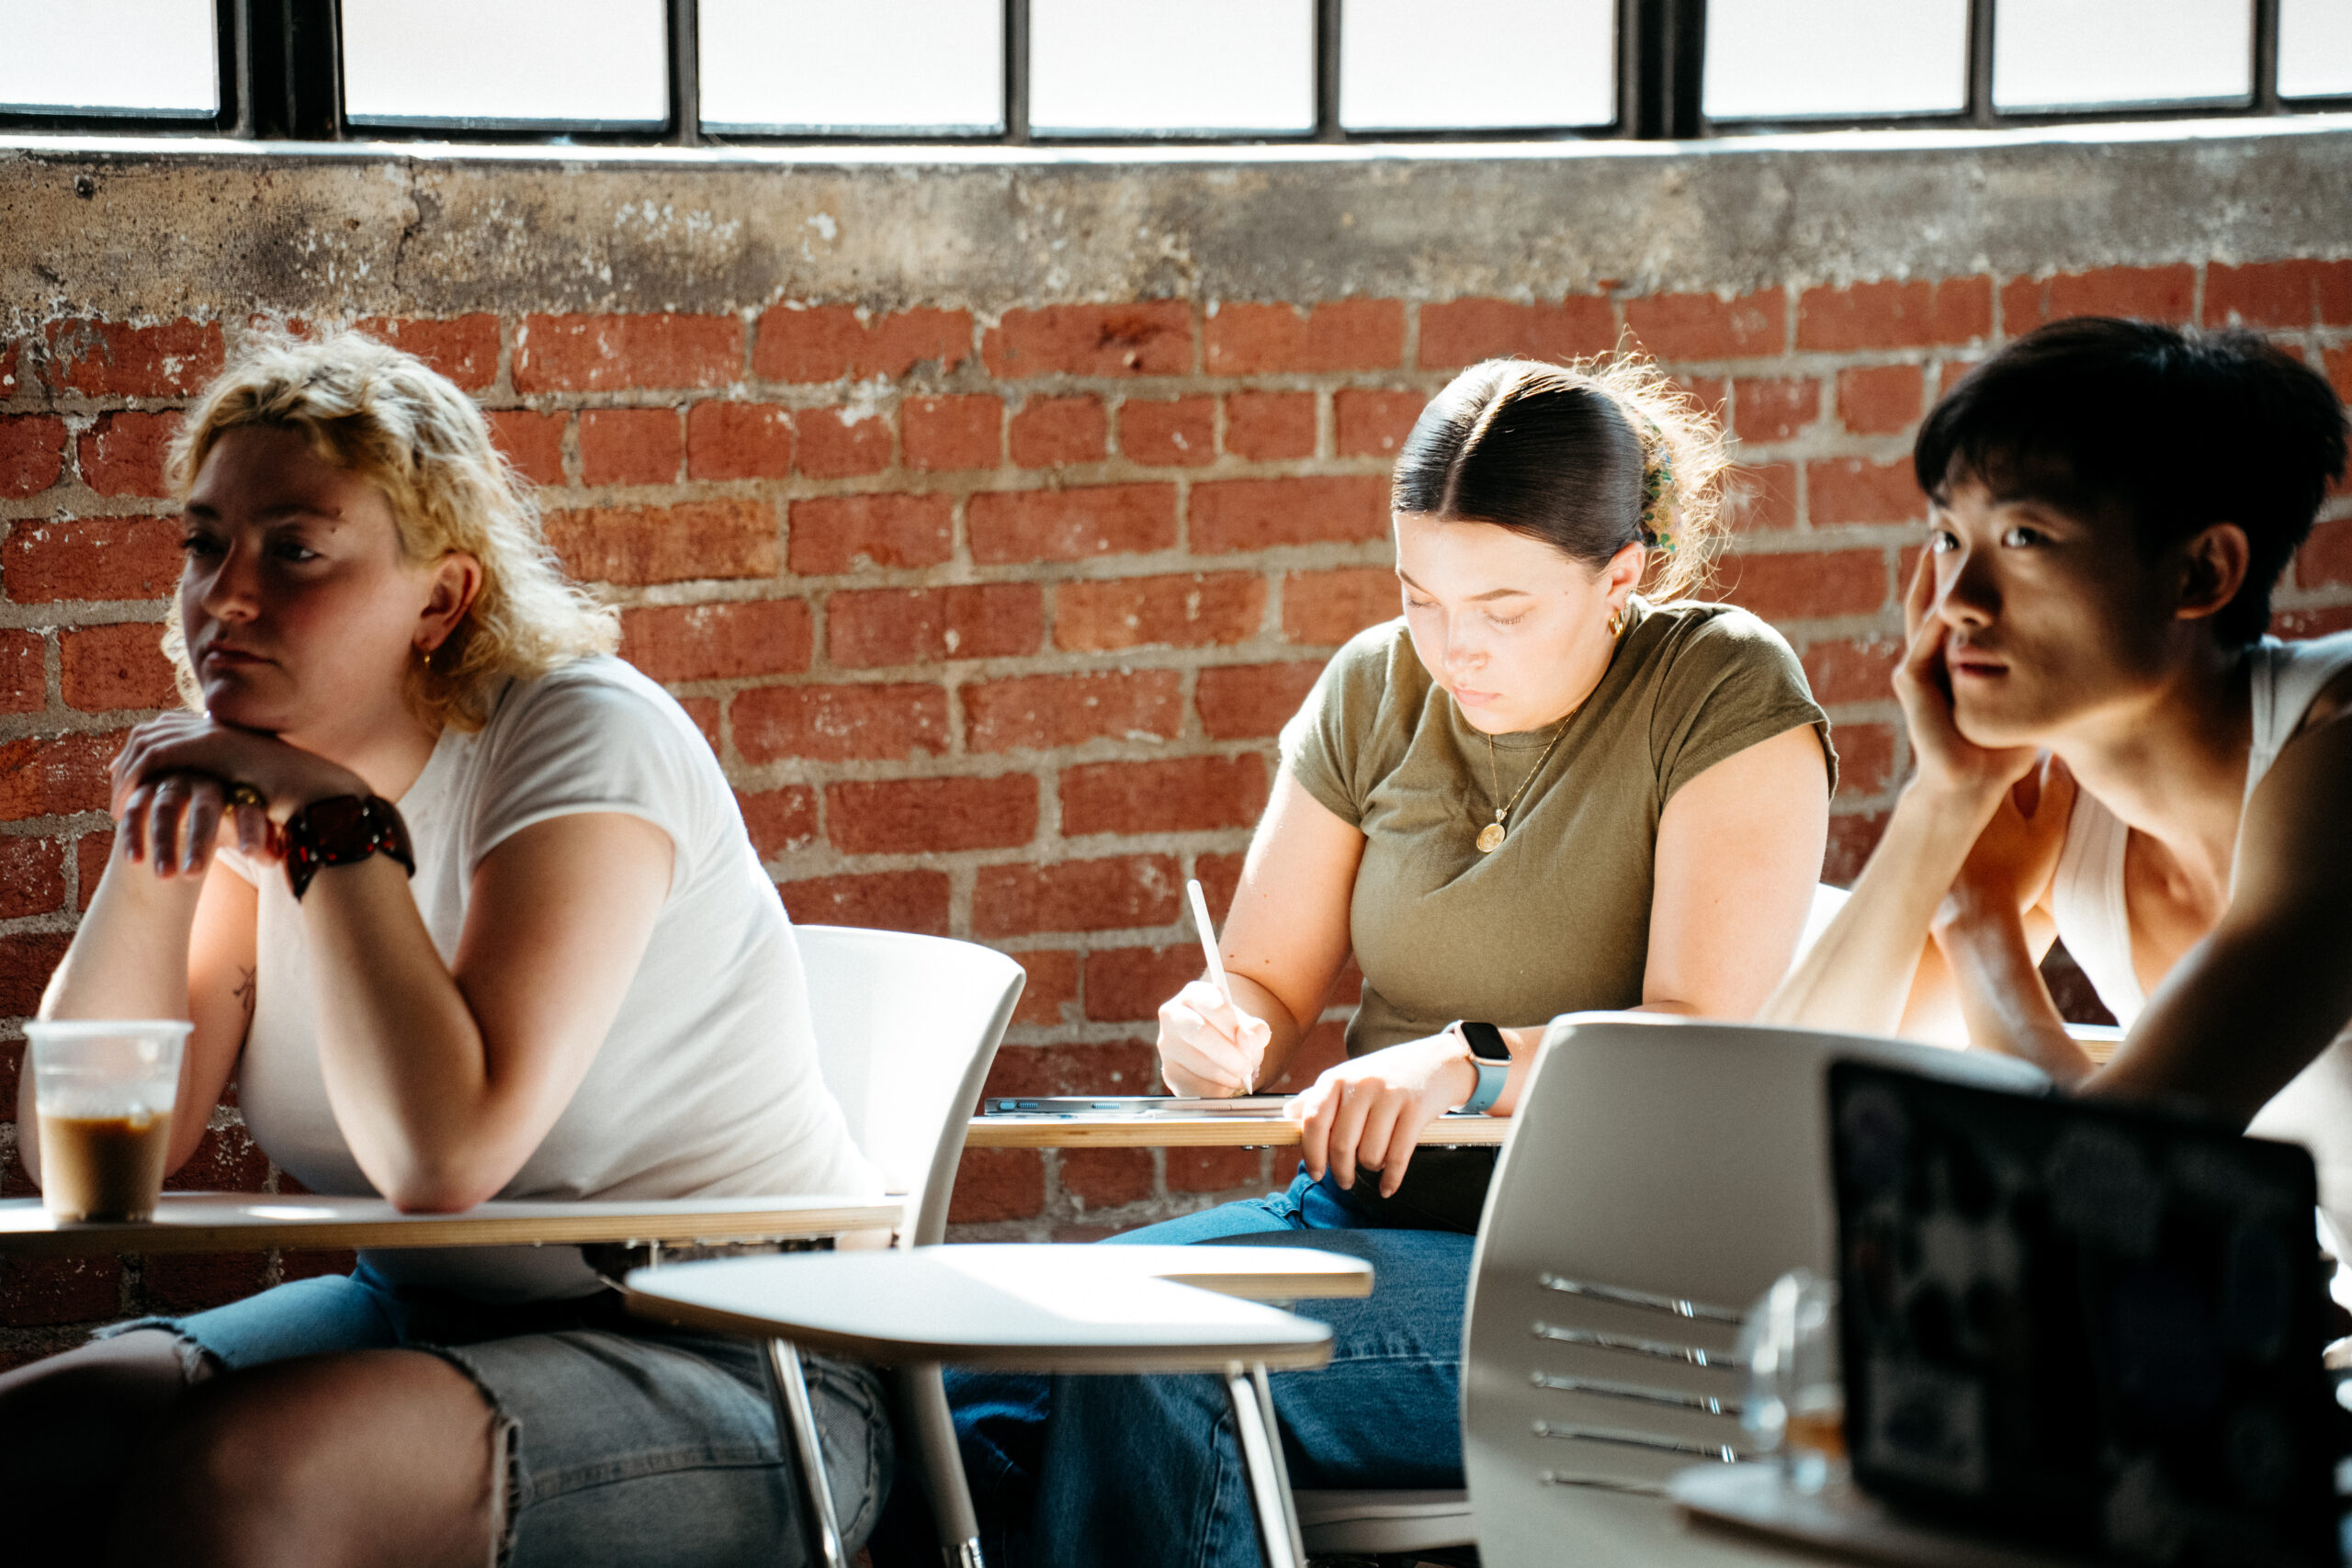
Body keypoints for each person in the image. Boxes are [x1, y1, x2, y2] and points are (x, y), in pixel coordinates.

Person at [909, 356, 1838, 1568]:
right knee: (957, 1367)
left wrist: (1467, 1062)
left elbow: (1696, 1037)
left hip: (1606, 1287)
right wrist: (1217, 1019)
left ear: (1625, 575)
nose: (1456, 648)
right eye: (1420, 596)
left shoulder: (1722, 683)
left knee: (1150, 1355)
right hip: (1361, 1221)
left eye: (1504, 609)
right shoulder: (1372, 683)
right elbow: (1263, 979)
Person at [0, 333, 890, 1568]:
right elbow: (89, 1160)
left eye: (294, 548)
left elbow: (442, 1152)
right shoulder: (258, 763)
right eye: (205, 541)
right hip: (427, 1314)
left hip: (743, 1349)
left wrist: (335, 827)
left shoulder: (583, 735)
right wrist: (166, 842)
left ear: (441, 596)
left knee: (250, 1480)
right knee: (27, 1445)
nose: (226, 594)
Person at [1761, 317, 2352, 1237]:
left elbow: (2110, 1179)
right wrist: (1943, 803)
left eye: (2026, 538)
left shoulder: (2337, 745)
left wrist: (1979, 925)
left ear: (2202, 570)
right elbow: (1769, 1100)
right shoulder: (2065, 812)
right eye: (1949, 538)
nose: (1957, 604)